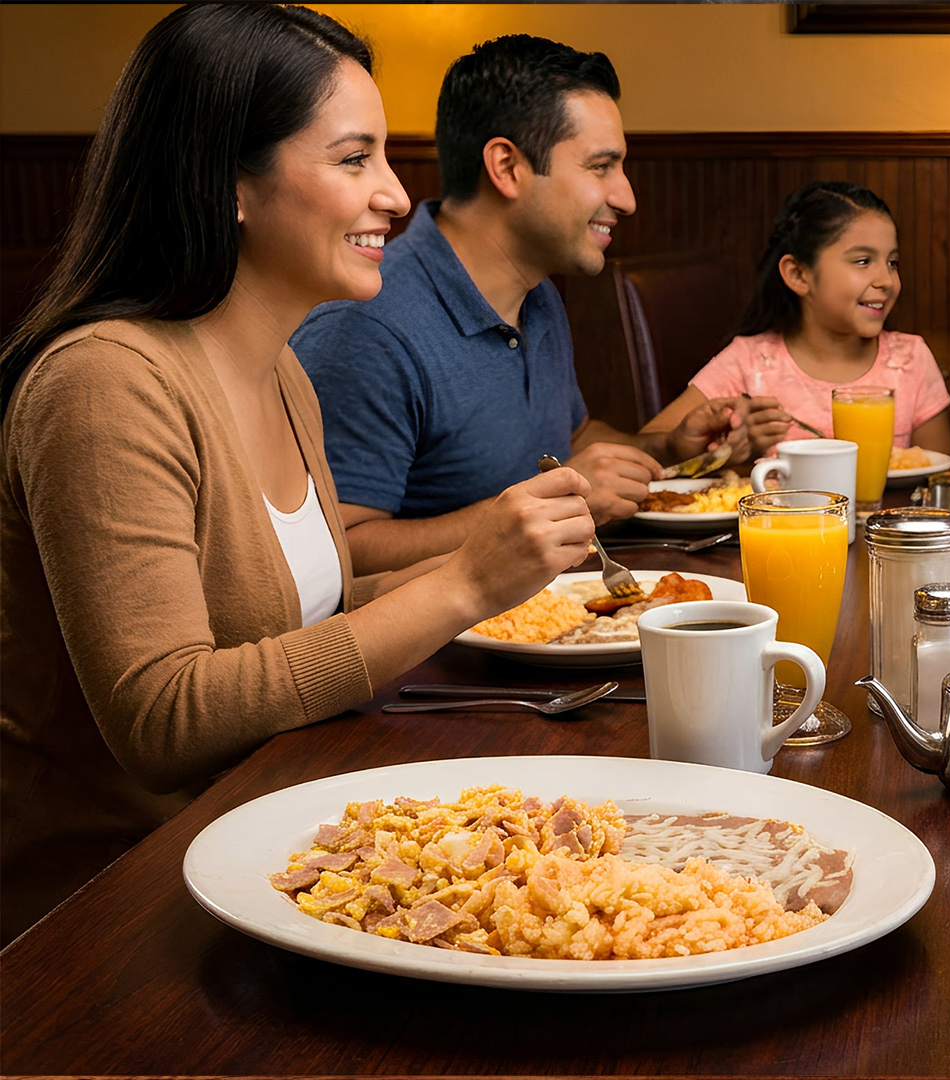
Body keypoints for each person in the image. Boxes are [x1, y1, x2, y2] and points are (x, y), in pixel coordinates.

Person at [0, 5, 598, 945]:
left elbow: (298, 609)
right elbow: (163, 720)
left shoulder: (281, 369)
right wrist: (462, 581)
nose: (399, 198)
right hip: (109, 907)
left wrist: (510, 576)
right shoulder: (103, 383)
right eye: (355, 159)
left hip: (272, 841)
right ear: (226, 182)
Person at [293, 35, 735, 573]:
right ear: (506, 167)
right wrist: (554, 504)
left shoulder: (538, 293)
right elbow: (337, 556)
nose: (626, 197)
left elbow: (567, 439)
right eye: (601, 167)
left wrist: (668, 447)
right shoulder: (365, 325)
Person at [641, 181, 950, 458]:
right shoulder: (749, 364)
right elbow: (652, 447)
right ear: (798, 274)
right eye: (863, 261)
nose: (886, 280)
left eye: (892, 262)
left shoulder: (910, 359)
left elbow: (940, 475)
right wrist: (732, 447)